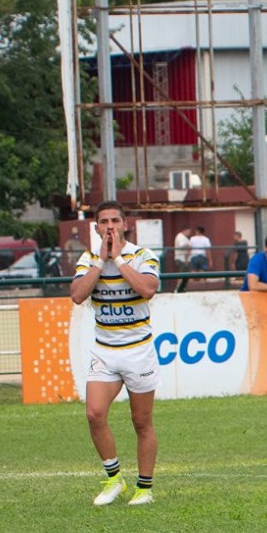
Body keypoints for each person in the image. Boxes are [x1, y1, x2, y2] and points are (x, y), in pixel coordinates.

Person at [69, 200, 163, 507]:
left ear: (125, 225)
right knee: (94, 414)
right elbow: (78, 295)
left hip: (138, 352)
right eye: (104, 221)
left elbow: (147, 289)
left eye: (115, 221)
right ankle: (113, 480)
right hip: (106, 351)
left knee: (141, 422)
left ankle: (144, 489)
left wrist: (118, 261)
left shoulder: (141, 256)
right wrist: (100, 261)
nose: (110, 226)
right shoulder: (88, 259)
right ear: (96, 228)